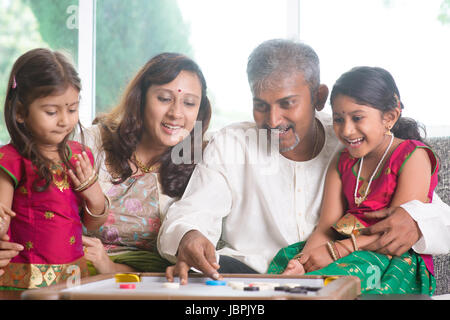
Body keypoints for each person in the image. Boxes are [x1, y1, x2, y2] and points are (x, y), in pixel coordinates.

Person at [159, 39, 450, 285]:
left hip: (343, 279)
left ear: (319, 97)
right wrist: (189, 236)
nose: (272, 121)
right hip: (255, 280)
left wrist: (416, 220)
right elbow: (193, 212)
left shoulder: (353, 140)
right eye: (261, 105)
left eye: (287, 103)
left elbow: (435, 215)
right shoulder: (231, 144)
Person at [268, 66, 438, 295]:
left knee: (340, 279)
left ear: (389, 117)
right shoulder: (342, 160)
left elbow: (395, 233)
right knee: (286, 264)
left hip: (390, 257)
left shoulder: (413, 156)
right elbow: (326, 228)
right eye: (338, 119)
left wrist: (336, 251)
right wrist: (303, 261)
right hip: (345, 248)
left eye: (357, 118)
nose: (347, 130)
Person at [77, 52, 212, 274]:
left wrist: (109, 267)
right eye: (164, 98)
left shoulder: (201, 167)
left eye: (189, 103)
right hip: (70, 271)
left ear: (200, 111)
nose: (176, 113)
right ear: (140, 99)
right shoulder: (92, 143)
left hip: (142, 285)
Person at [0, 48, 108, 290]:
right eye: (51, 111)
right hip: (24, 278)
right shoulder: (10, 159)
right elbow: (2, 219)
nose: (64, 120)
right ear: (20, 112)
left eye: (72, 109)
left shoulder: (80, 155)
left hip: (73, 275)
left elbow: (91, 224)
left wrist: (94, 194)